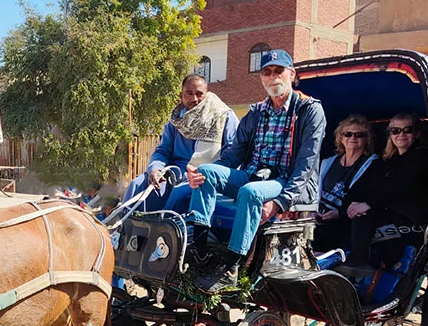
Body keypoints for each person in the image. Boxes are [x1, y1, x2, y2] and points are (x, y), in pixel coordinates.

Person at [186, 49, 326, 294]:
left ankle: (231, 268)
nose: (273, 77)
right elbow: (232, 156)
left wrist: (280, 203)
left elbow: (306, 166)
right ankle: (199, 250)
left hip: (285, 181)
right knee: (206, 172)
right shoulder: (255, 113)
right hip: (253, 174)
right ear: (261, 78)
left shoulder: (309, 110)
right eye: (267, 72)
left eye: (278, 71)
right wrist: (199, 174)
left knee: (250, 192)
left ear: (291, 74)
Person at [123, 74, 239, 213]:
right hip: (174, 174)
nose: (194, 99)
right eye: (189, 93)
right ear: (181, 96)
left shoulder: (224, 116)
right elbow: (162, 151)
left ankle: (165, 231)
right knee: (137, 185)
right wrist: (155, 169)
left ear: (206, 94)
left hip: (204, 177)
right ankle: (126, 231)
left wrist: (208, 173)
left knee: (178, 197)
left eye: (199, 94)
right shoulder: (176, 121)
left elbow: (233, 153)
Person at [343, 113, 428, 271]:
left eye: (407, 130)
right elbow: (366, 186)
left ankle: (358, 263)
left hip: (414, 220)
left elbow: (401, 186)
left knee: (363, 217)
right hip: (390, 212)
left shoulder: (422, 156)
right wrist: (345, 208)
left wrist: (368, 204)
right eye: (395, 131)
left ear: (417, 133)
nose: (401, 135)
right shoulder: (387, 161)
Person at [312, 114, 378, 251]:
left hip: (345, 220)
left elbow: (368, 196)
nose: (352, 138)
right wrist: (313, 211)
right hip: (318, 217)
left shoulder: (373, 164)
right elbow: (314, 191)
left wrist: (339, 213)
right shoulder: (327, 162)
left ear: (367, 139)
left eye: (359, 135)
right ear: (340, 138)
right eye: (347, 134)